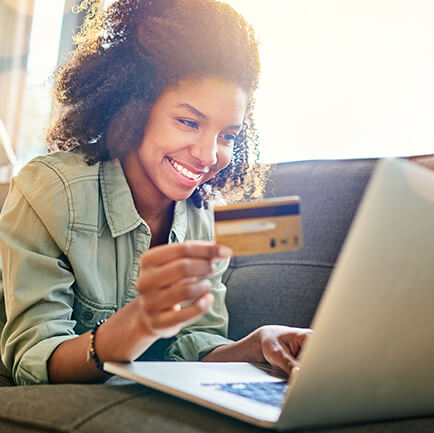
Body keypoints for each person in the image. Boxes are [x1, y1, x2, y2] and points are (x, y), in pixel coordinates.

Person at [0, 0, 311, 386]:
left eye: (227, 135)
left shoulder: (203, 218)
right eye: (188, 121)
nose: (208, 154)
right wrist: (137, 324)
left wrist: (256, 345)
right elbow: (33, 360)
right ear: (135, 108)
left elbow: (191, 345)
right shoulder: (50, 191)